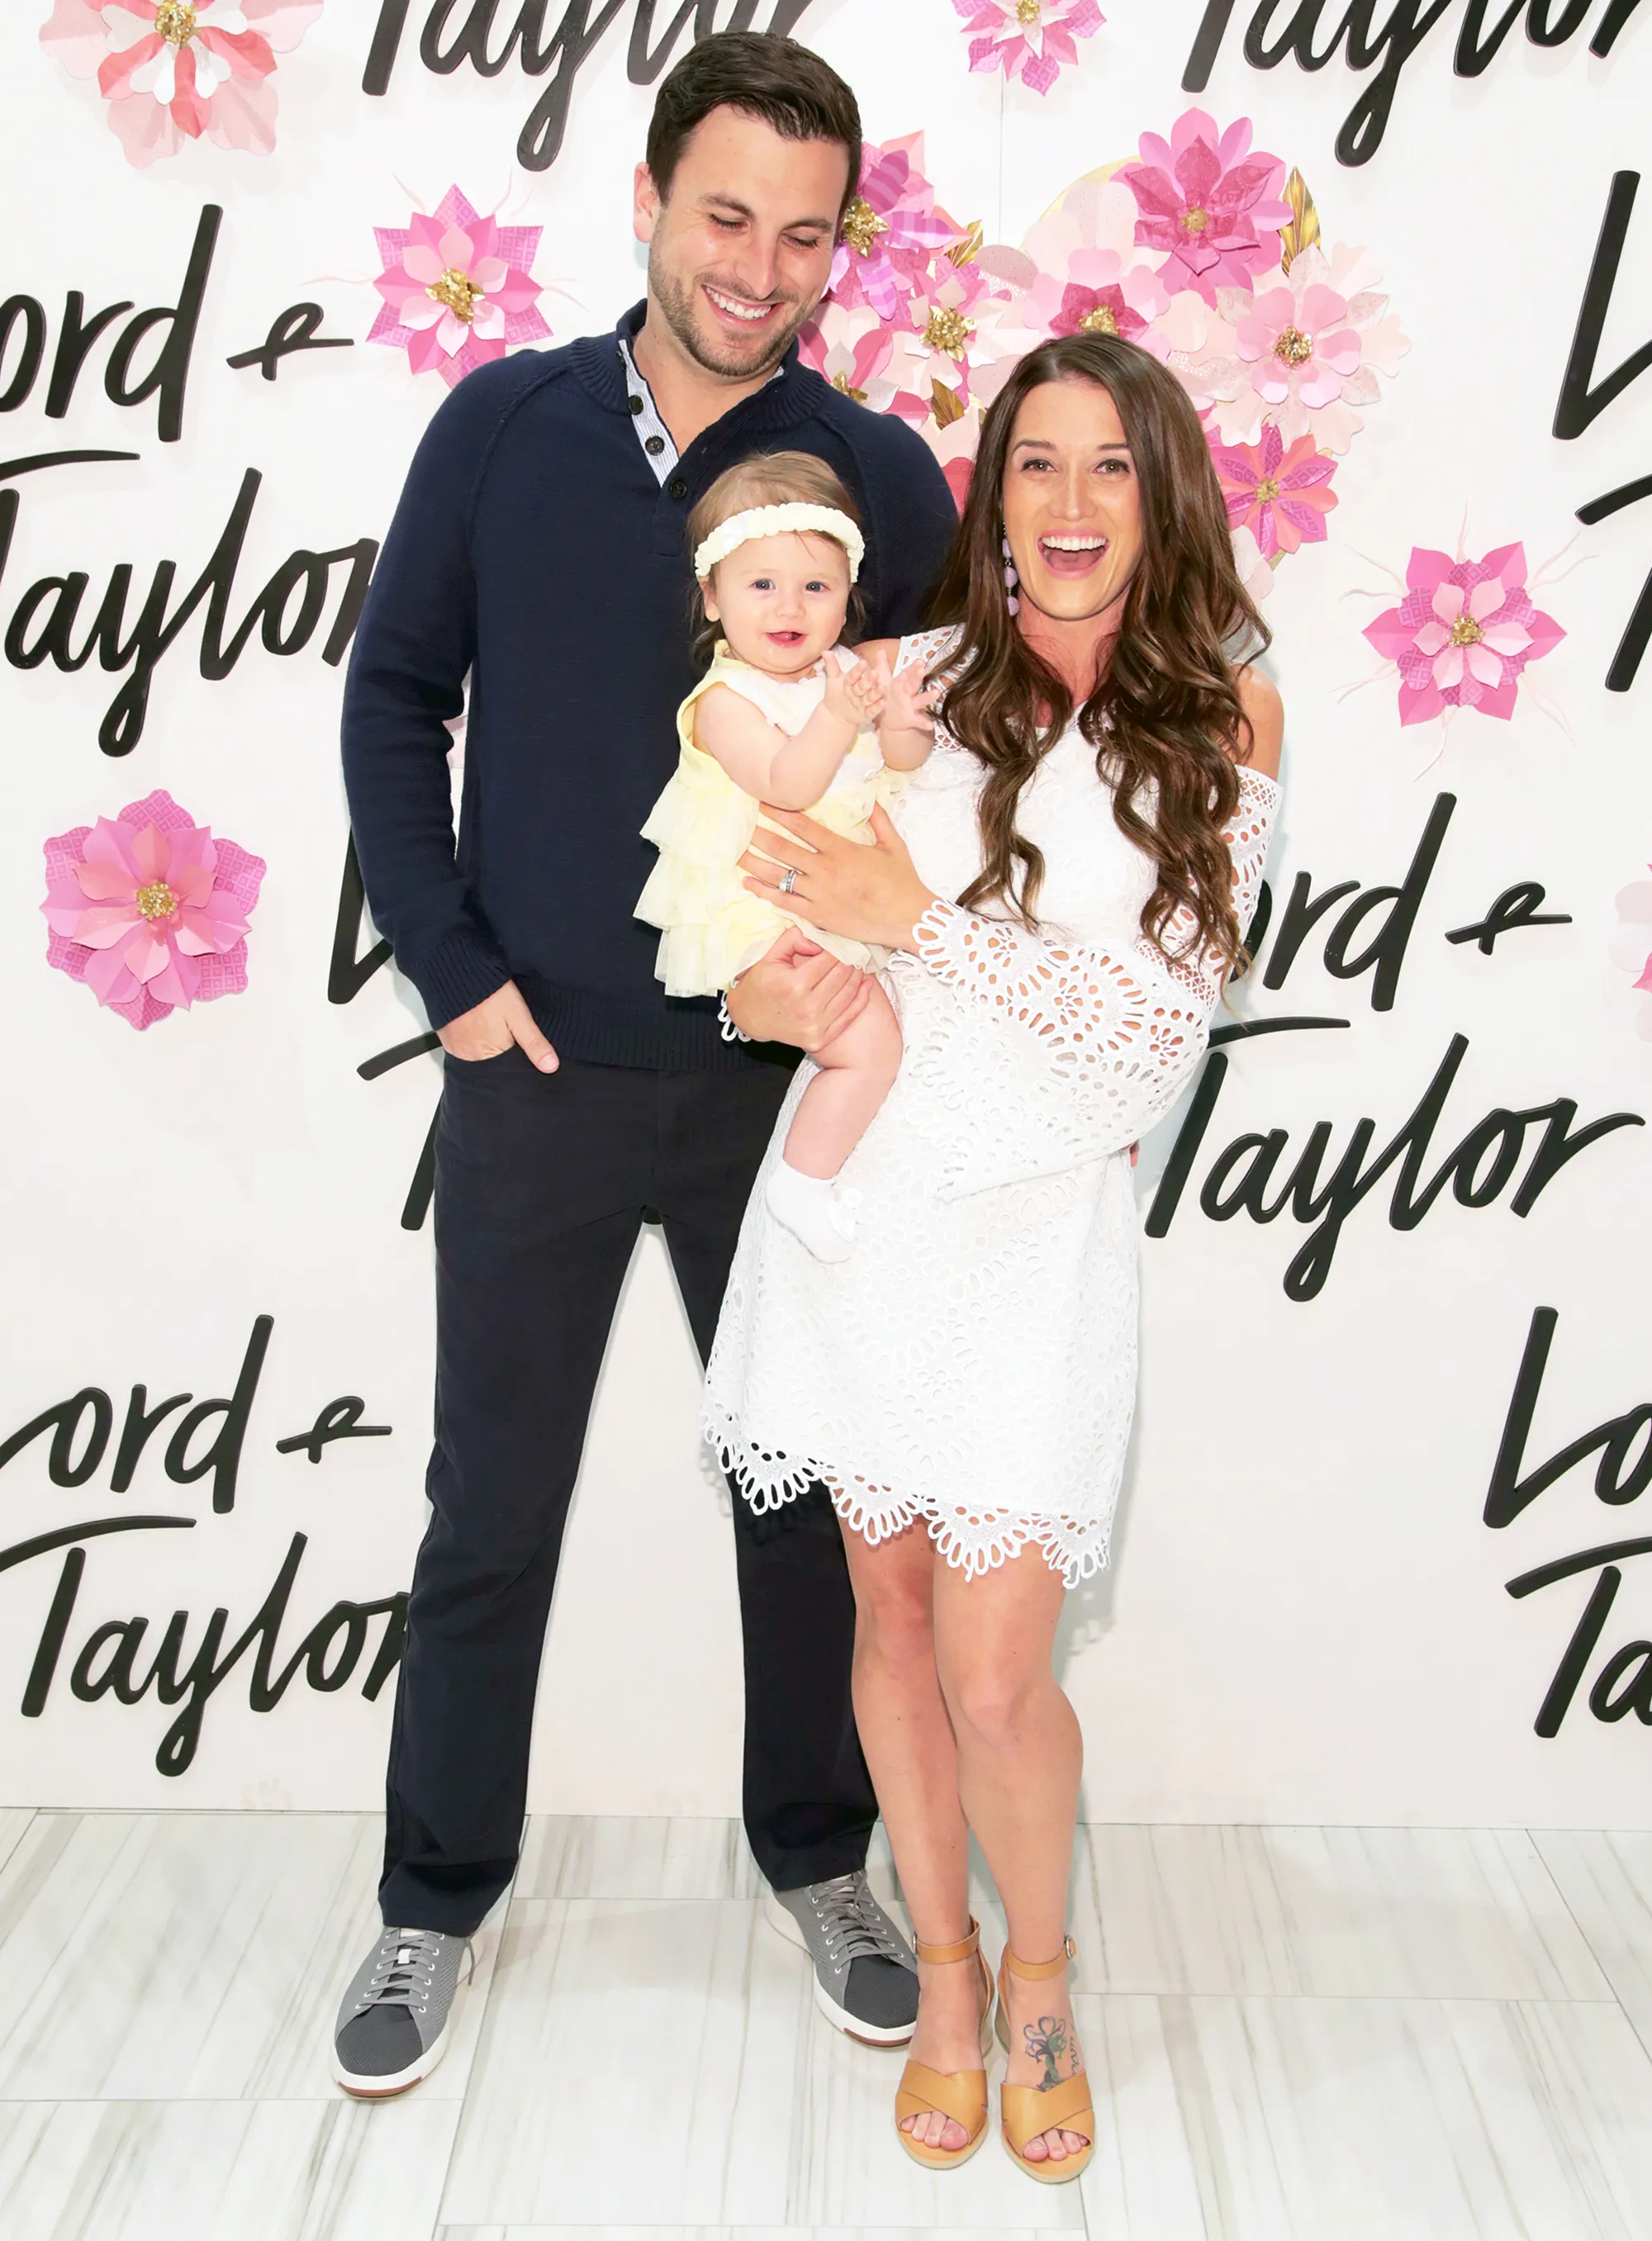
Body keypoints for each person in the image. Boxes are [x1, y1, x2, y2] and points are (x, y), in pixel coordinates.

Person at [332, 30, 957, 2096]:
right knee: (489, 1502)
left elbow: (952, 763)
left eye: (804, 235)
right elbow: (394, 692)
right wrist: (451, 971)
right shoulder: (504, 425)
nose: (757, 269)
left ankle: (822, 1863)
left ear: (840, 252)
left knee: (801, 1502)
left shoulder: (876, 472)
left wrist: (880, 954)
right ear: (646, 201)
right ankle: (431, 1900)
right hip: (532, 1072)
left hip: (789, 1086)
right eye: (724, 217)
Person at [707, 332, 1284, 2180]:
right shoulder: (913, 678)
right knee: (884, 1622)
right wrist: (773, 990)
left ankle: (1043, 1981)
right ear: (993, 495)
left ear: (1164, 494)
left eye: (1110, 464)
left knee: (998, 1677)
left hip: (1037, 1241)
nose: (1070, 501)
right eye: (1036, 462)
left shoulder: (1223, 717)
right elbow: (768, 895)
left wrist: (924, 923)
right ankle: (945, 1979)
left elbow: (1147, 1045)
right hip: (866, 1214)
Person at [637, 451, 940, 1261]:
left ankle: (830, 1173)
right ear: (713, 597)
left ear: (848, 594)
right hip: (767, 910)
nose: (788, 606)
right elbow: (789, 783)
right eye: (761, 584)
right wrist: (841, 715)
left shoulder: (842, 672)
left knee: (901, 1046)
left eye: (815, 586)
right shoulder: (723, 701)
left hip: (841, 895)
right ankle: (802, 1181)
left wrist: (902, 719)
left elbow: (898, 768)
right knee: (869, 1047)